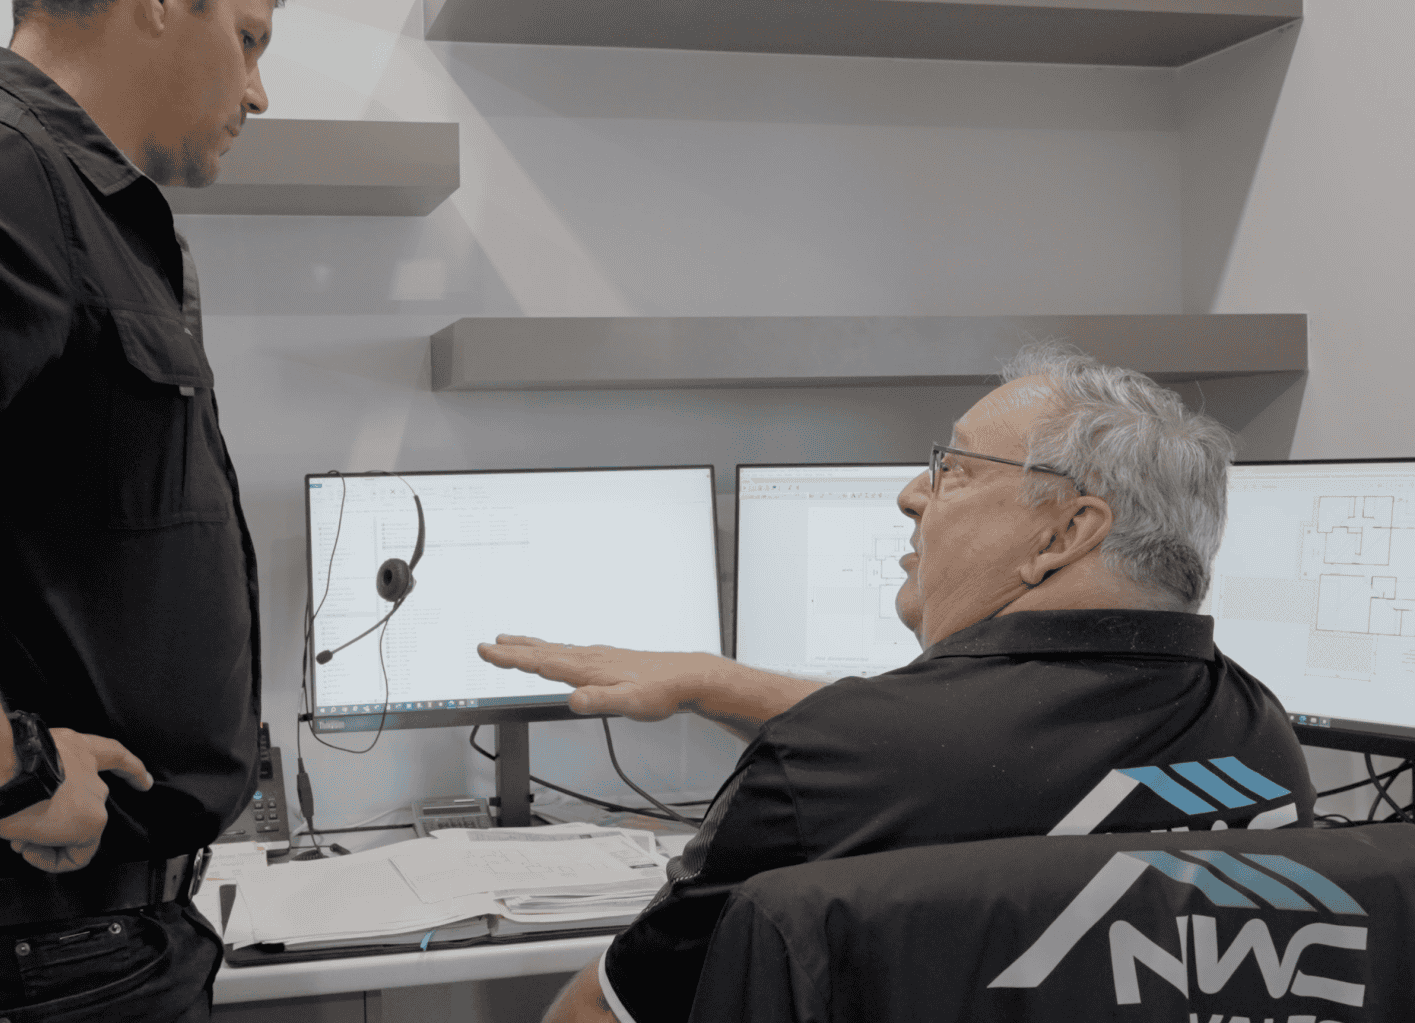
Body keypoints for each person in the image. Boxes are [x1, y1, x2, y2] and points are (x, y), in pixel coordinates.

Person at [477, 344, 1317, 1023]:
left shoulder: (846, 762)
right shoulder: (1260, 739)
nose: (912, 495)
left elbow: (611, 1010)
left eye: (953, 468)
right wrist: (719, 683)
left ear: (1064, 532)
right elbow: (982, 763)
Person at [0, 0, 297, 1018]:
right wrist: (4, 771)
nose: (258, 92)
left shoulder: (70, 202)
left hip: (67, 949)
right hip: (17, 957)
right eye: (248, 38)